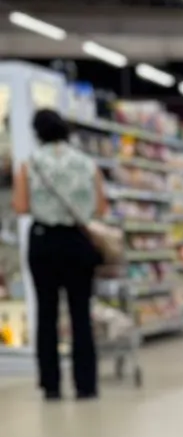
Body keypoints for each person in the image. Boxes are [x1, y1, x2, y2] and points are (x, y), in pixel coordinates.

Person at [13, 107, 108, 400]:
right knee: (81, 313)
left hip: (44, 241)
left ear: (37, 132)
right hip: (78, 241)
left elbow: (20, 206)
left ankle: (51, 385)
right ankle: (86, 384)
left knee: (47, 313)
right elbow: (100, 208)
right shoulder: (86, 163)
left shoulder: (31, 164)